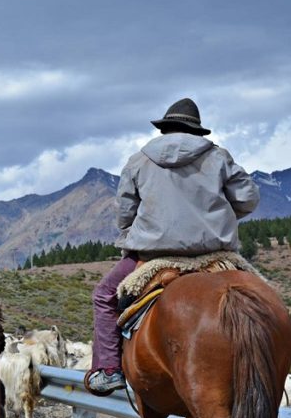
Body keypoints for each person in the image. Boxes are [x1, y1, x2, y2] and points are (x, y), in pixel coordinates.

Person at [88, 97, 260, 393]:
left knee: (104, 296)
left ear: (165, 128)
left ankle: (109, 369)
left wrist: (137, 234)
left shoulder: (139, 160)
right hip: (214, 253)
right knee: (261, 296)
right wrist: (221, 217)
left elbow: (125, 212)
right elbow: (248, 198)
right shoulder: (218, 157)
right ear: (196, 132)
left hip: (154, 256)